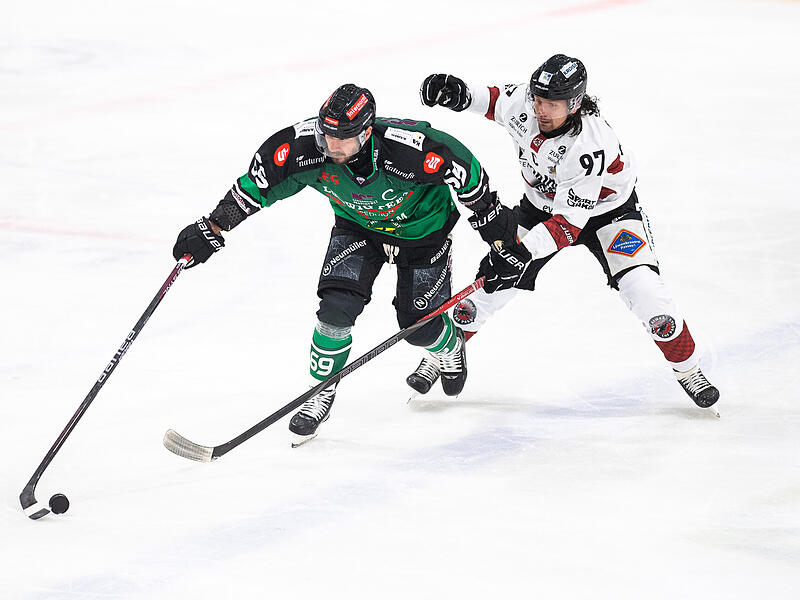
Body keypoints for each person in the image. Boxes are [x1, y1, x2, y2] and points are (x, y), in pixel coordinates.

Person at [172, 83, 516, 446]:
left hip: (423, 233)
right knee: (335, 308)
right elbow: (257, 187)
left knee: (418, 329)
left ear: (366, 133)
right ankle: (319, 391)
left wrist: (499, 238)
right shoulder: (303, 148)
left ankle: (451, 347)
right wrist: (212, 227)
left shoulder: (411, 150)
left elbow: (471, 181)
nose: (331, 146)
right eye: (327, 135)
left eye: (343, 138)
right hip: (357, 229)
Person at [412, 55, 720, 411]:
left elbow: (567, 226)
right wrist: (457, 93)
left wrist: (523, 253)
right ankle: (443, 354)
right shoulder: (527, 102)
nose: (541, 110)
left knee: (645, 290)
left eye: (552, 104)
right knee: (493, 283)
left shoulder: (589, 144)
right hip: (540, 207)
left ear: (574, 104)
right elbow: (495, 101)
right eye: (539, 100)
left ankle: (688, 369)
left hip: (609, 214)